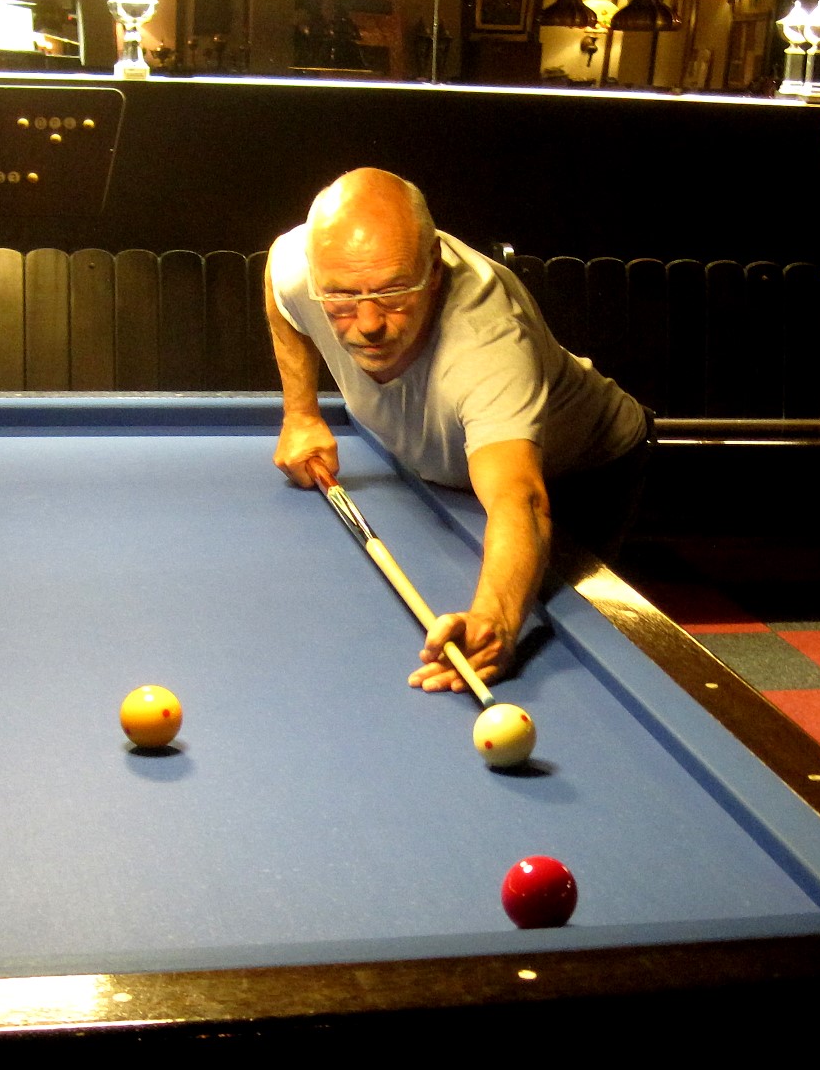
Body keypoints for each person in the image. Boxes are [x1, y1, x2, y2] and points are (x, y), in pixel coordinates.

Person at [266, 168, 653, 693]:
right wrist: (301, 413)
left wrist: (495, 622)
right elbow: (278, 270)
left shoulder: (487, 340)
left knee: (586, 648)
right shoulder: (307, 267)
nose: (369, 322)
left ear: (434, 268)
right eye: (341, 296)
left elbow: (520, 499)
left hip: (581, 473)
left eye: (393, 291)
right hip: (459, 475)